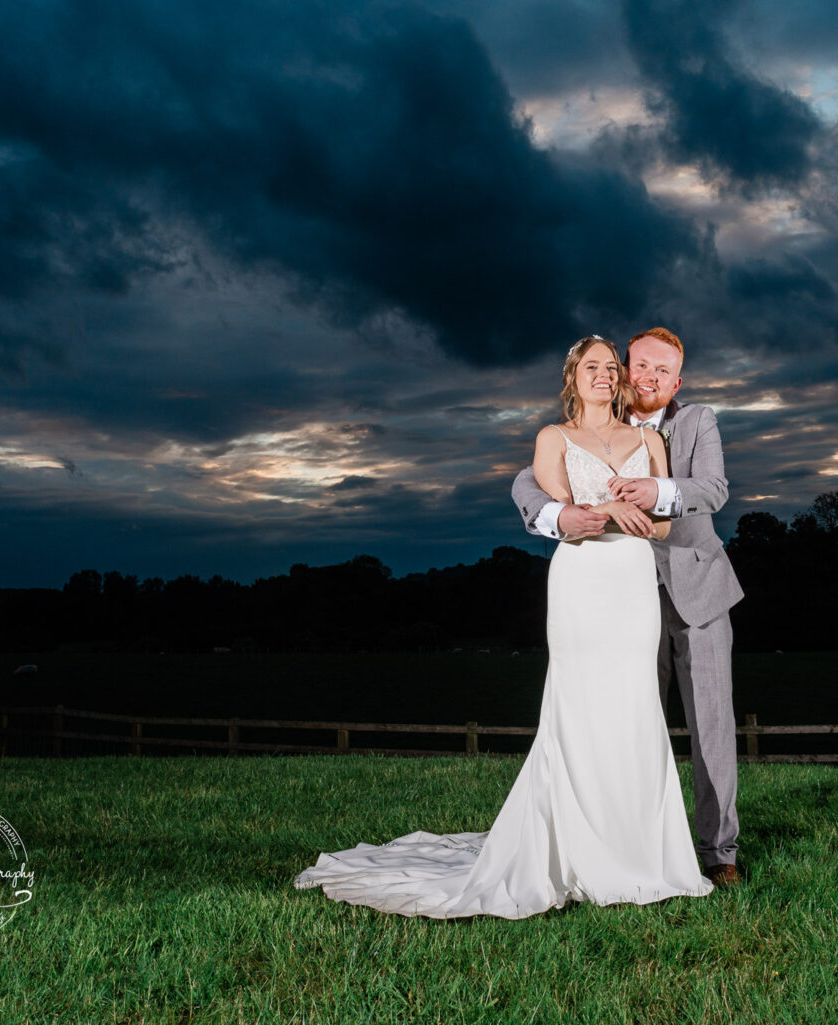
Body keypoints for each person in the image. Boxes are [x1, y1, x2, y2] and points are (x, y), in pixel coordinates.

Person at [294, 336, 713, 918]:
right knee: (580, 704)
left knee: (636, 703)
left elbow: (664, 531)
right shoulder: (552, 439)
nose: (602, 374)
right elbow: (570, 517)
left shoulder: (649, 440)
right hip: (583, 581)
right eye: (590, 366)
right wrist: (610, 510)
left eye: (609, 367)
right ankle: (574, 847)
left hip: (633, 583)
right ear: (572, 377)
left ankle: (642, 852)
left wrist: (640, 511)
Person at [511, 327, 745, 886]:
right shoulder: (574, 427)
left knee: (711, 726)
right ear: (625, 366)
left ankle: (719, 853)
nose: (649, 378)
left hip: (696, 591)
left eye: (664, 372)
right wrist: (555, 517)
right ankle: (631, 843)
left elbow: (712, 489)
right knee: (627, 722)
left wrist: (655, 493)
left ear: (677, 380)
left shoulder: (695, 422)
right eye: (641, 366)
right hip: (614, 592)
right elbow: (528, 480)